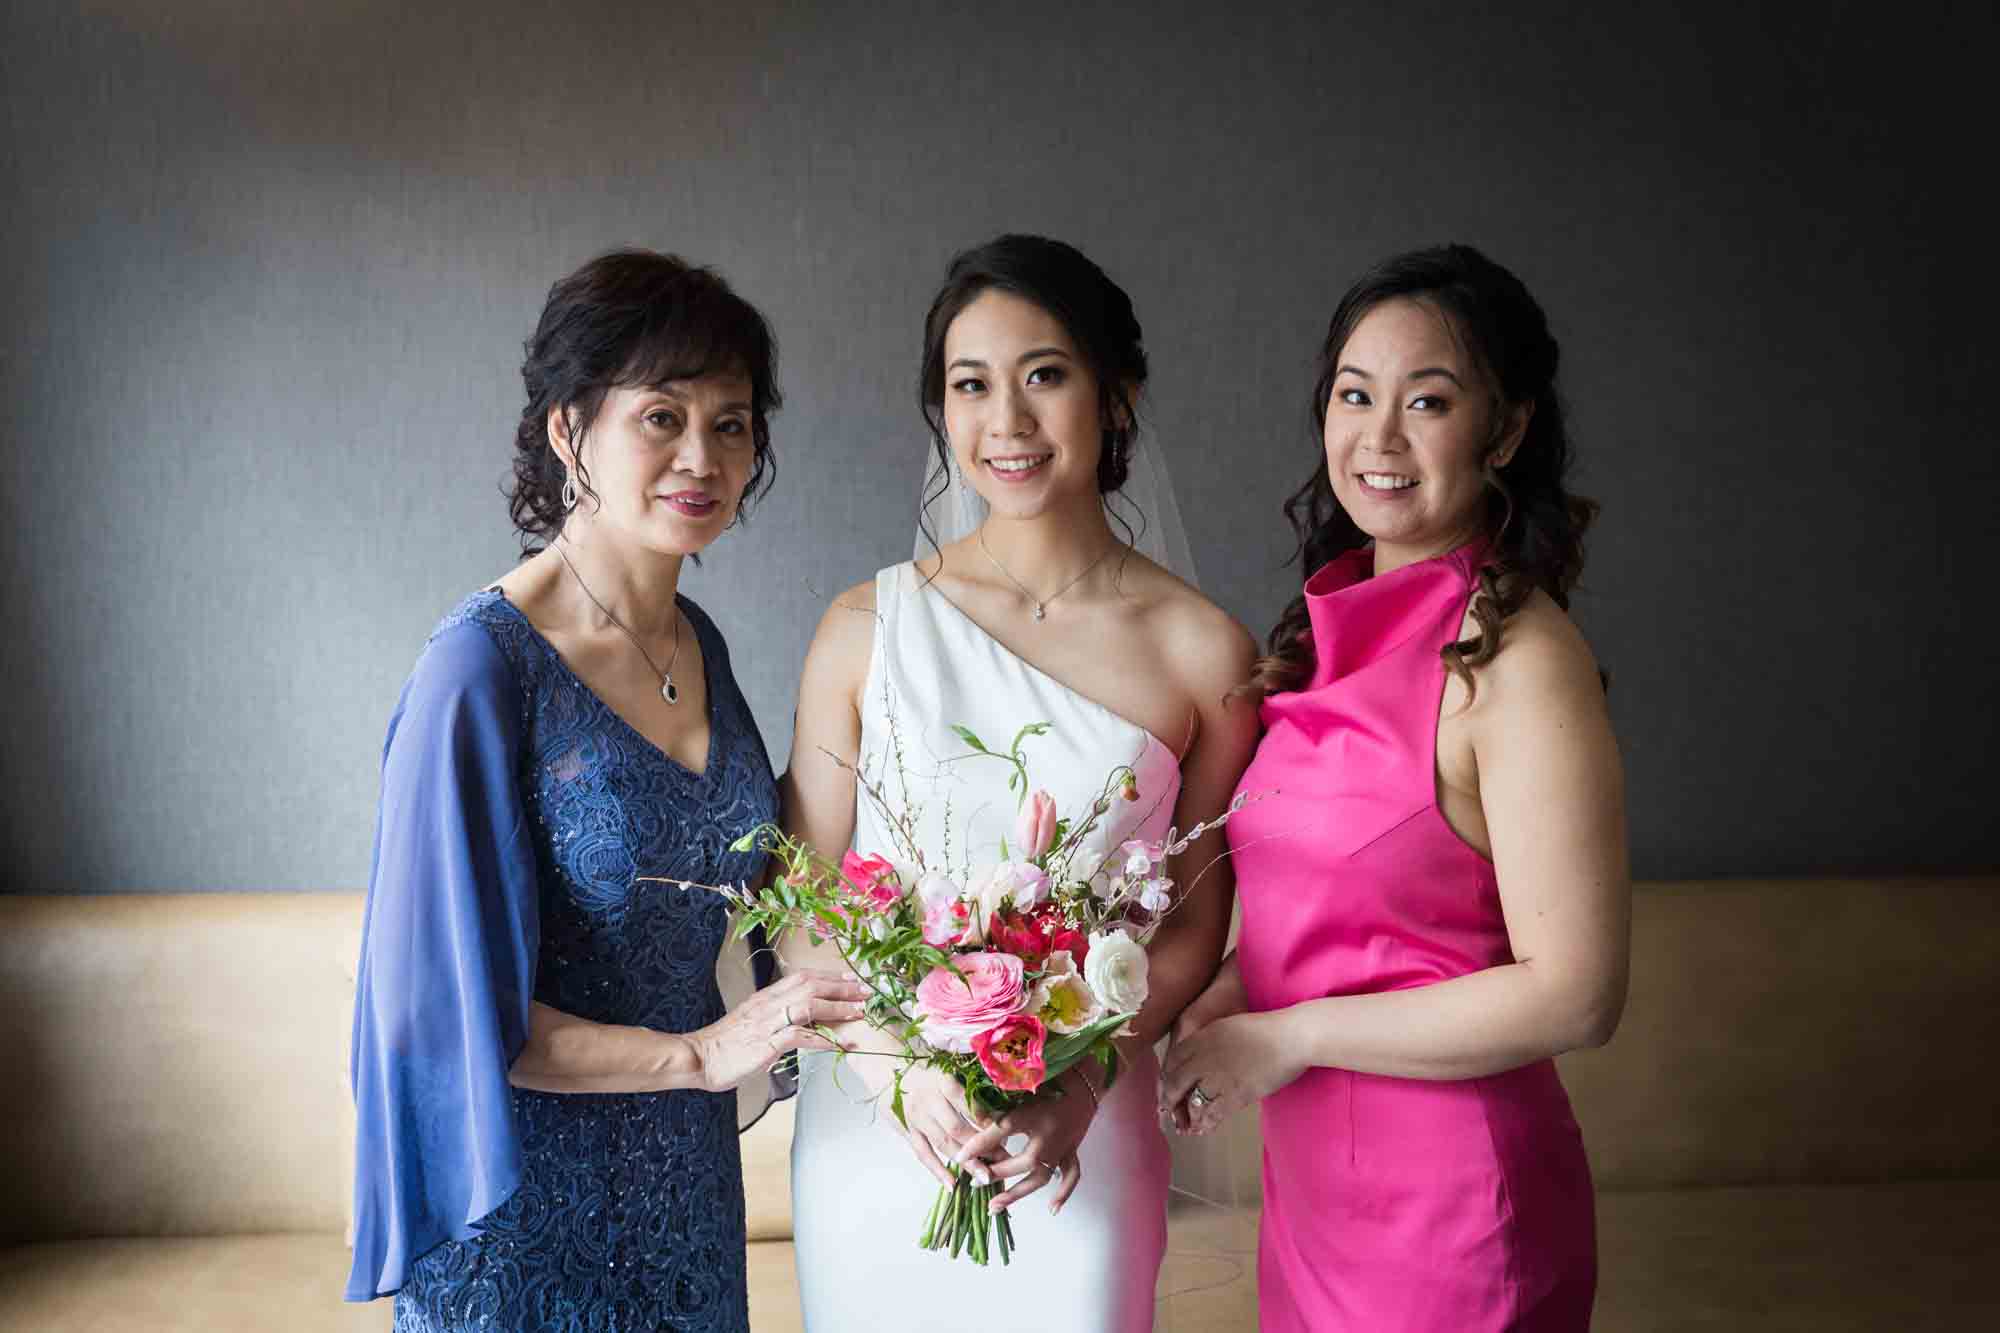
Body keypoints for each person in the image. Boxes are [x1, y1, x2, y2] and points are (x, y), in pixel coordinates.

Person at [345, 249, 868, 1332]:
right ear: (568, 429)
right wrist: (698, 1053)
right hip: (522, 1228)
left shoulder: (701, 646)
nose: (701, 455)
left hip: (685, 1201)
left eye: (731, 422)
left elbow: (765, 876)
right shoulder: (480, 669)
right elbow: (437, 1015)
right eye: (661, 416)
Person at [781, 234, 1259, 1331]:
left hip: (1076, 1141)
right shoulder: (861, 628)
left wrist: (1075, 1086)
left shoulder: (1203, 652)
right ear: (939, 411)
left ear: (1117, 396)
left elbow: (1188, 932)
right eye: (969, 384)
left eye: (1043, 375)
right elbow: (805, 900)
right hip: (880, 1126)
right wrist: (897, 1067)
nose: (1006, 420)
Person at [1161, 244, 1629, 1332]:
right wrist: (1221, 996)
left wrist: (1287, 1036)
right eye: (1352, 394)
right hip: (1320, 1194)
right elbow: (1346, 913)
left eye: (1426, 400)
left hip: (1456, 1215)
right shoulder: (1326, 636)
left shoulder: (1515, 657)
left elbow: (1576, 993)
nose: (1377, 437)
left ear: (1503, 430)